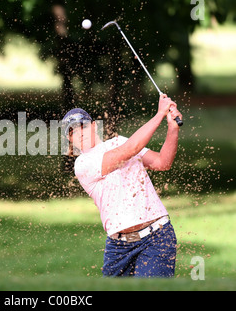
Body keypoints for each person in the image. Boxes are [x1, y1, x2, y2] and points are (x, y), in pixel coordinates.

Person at [62, 94, 182, 277]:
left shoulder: (119, 141)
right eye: (72, 132)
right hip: (118, 247)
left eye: (82, 126)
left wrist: (172, 129)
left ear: (94, 125)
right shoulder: (82, 164)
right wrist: (159, 114)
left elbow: (162, 162)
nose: (79, 133)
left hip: (156, 237)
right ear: (70, 140)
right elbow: (129, 151)